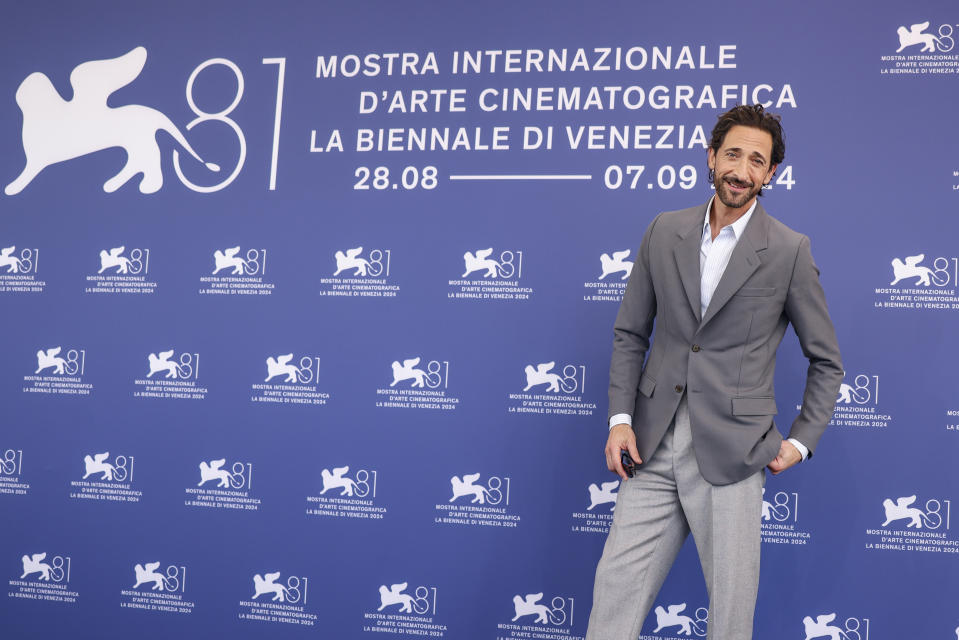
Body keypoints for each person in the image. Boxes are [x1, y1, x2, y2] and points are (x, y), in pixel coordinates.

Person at [586, 104, 843, 640]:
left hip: (733, 453)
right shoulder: (664, 230)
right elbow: (630, 333)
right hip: (650, 446)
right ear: (710, 157)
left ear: (770, 174)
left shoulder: (790, 251)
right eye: (732, 154)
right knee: (613, 599)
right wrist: (618, 418)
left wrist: (801, 443)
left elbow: (826, 360)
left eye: (757, 160)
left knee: (729, 621)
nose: (741, 170)